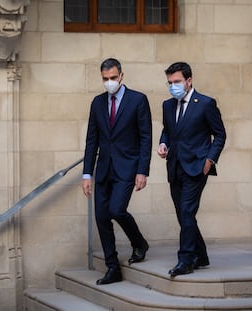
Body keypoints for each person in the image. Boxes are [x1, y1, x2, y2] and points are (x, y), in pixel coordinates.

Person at [82, 58, 152, 285]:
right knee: (102, 217)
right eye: (105, 79)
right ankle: (113, 267)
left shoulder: (138, 100)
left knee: (116, 209)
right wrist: (86, 174)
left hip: (128, 167)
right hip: (103, 169)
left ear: (121, 76)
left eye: (113, 78)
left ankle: (139, 242)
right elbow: (92, 140)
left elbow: (145, 138)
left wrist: (142, 171)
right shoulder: (97, 103)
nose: (109, 82)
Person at [157, 62, 226, 277]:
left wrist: (209, 161)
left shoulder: (205, 103)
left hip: (197, 167)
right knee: (182, 213)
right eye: (169, 83)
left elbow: (220, 135)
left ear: (189, 80)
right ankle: (201, 255)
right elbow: (167, 131)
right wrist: (162, 143)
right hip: (174, 165)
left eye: (176, 82)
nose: (173, 86)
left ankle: (185, 260)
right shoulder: (167, 105)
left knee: (187, 211)